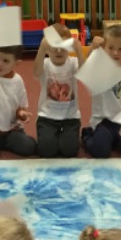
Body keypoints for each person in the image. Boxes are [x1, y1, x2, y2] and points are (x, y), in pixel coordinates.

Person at [82, 24, 121, 158]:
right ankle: (87, 135)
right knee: (100, 152)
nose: (115, 53)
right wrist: (92, 48)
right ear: (104, 48)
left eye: (120, 49)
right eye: (111, 48)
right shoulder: (99, 70)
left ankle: (115, 140)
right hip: (103, 122)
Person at [33, 24, 84, 158]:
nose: (59, 51)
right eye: (54, 47)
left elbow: (84, 73)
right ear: (48, 49)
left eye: (63, 47)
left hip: (70, 117)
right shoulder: (45, 64)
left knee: (69, 151)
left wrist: (79, 49)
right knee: (47, 152)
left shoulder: (73, 63)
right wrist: (42, 49)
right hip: (47, 117)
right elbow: (36, 72)